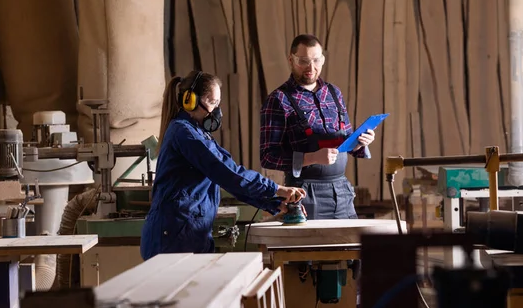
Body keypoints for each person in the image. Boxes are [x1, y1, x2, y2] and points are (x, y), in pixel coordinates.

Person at [140, 70, 306, 261]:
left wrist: (276, 204)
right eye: (212, 103)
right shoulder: (185, 134)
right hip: (173, 238)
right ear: (189, 101)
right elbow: (229, 173)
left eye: (218, 104)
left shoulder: (198, 132)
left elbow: (229, 180)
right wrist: (278, 189)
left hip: (187, 234)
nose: (216, 111)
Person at [260, 34, 376, 220]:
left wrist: (361, 142)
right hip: (304, 194)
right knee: (312, 247)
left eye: (316, 60)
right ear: (291, 60)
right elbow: (267, 157)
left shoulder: (333, 93)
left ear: (322, 59)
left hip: (342, 191)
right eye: (303, 61)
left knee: (349, 247)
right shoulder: (278, 100)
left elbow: (346, 139)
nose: (311, 67)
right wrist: (311, 157)